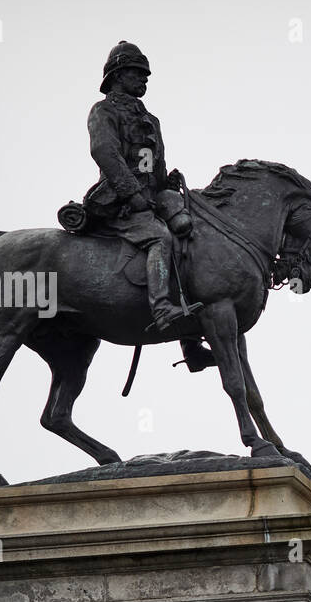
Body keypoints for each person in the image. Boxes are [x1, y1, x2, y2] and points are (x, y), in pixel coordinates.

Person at [85, 41, 216, 371]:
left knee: (191, 235)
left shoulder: (151, 120)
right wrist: (132, 194)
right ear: (117, 76)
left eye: (146, 75)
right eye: (136, 73)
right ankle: (161, 309)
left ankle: (192, 345)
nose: (144, 80)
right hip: (118, 202)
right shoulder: (104, 111)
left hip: (152, 197)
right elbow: (106, 154)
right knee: (161, 238)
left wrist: (167, 186)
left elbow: (155, 168)